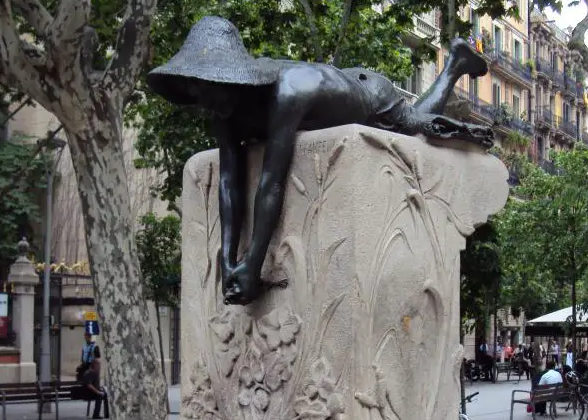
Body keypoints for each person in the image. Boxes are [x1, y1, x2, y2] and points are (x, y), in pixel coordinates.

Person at [148, 16, 493, 306]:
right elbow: (228, 182)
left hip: (366, 95)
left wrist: (252, 264)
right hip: (333, 88)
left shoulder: (288, 91)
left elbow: (271, 181)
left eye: (206, 92)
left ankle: (455, 64)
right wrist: (227, 262)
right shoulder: (223, 109)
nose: (203, 103)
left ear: (227, 80)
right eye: (197, 95)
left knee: (415, 126)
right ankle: (456, 62)